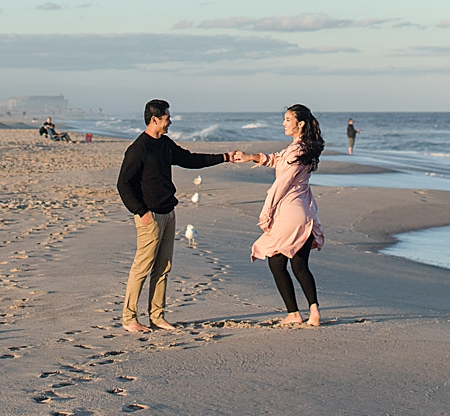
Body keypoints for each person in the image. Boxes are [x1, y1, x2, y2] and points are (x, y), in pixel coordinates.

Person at [116, 99, 241, 332]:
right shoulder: (138, 149)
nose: (170, 121)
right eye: (167, 118)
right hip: (149, 217)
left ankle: (157, 316)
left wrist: (224, 157)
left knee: (163, 267)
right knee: (142, 268)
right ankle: (129, 319)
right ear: (155, 120)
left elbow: (190, 159)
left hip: (168, 213)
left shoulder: (164, 144)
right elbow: (124, 184)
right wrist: (141, 212)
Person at [249, 104, 327, 327]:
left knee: (276, 263)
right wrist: (251, 157)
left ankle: (294, 313)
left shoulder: (297, 150)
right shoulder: (300, 148)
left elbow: (280, 185)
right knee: (299, 266)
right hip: (305, 211)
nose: (284, 124)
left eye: (287, 120)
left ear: (300, 123)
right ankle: (313, 311)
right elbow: (277, 158)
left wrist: (266, 213)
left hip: (291, 212)